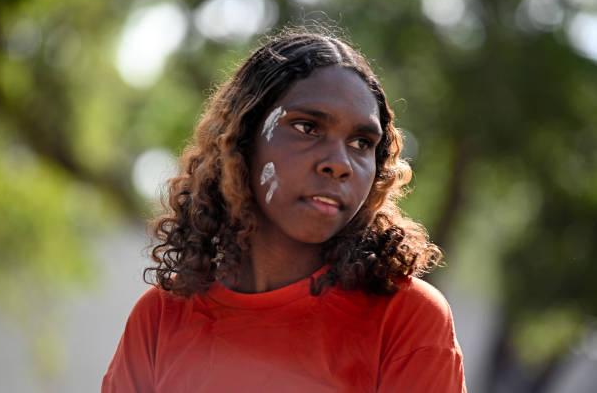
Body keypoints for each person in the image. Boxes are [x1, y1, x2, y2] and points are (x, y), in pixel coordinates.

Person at [102, 29, 467, 392]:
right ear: (243, 141)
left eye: (361, 142)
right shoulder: (162, 318)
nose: (339, 164)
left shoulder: (407, 320)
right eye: (308, 127)